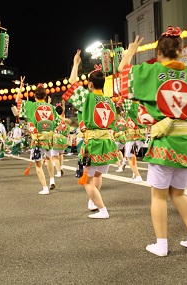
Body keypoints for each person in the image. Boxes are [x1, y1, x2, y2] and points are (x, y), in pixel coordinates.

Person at [118, 27, 187, 256]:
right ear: (180, 50)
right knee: (178, 194)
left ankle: (162, 245)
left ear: (159, 52)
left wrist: (130, 52)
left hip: (164, 142)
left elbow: (123, 73)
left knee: (158, 195)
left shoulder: (151, 70)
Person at [63, 52, 119, 219]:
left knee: (87, 180)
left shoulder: (87, 97)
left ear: (89, 85)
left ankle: (102, 210)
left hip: (92, 144)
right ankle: (94, 201)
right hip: (107, 143)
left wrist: (75, 64)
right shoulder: (110, 101)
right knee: (98, 175)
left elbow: (72, 83)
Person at [15, 76, 61, 195]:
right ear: (45, 96)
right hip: (49, 139)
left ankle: (45, 188)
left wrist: (21, 86)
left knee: (38, 165)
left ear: (35, 96)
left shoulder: (31, 106)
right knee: (49, 158)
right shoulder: (51, 108)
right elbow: (58, 123)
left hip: (37, 139)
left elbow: (17, 100)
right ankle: (52, 179)